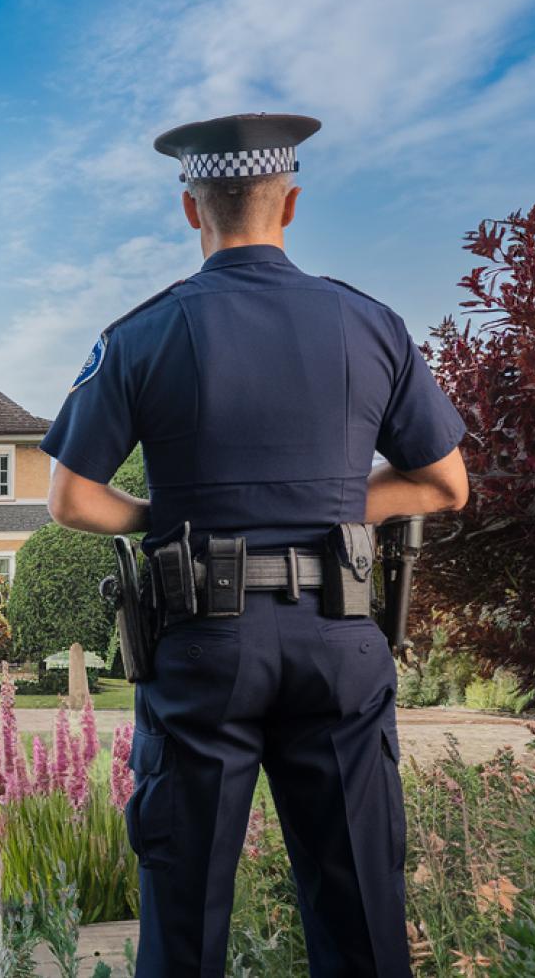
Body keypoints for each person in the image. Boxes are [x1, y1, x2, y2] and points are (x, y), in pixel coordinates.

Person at [40, 113, 469, 977]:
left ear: (190, 210)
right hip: (339, 639)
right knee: (361, 916)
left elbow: (74, 502)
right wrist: (343, 502)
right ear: (292, 203)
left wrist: (169, 515)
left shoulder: (141, 336)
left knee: (186, 922)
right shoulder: (372, 325)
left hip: (205, 645)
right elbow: (442, 484)